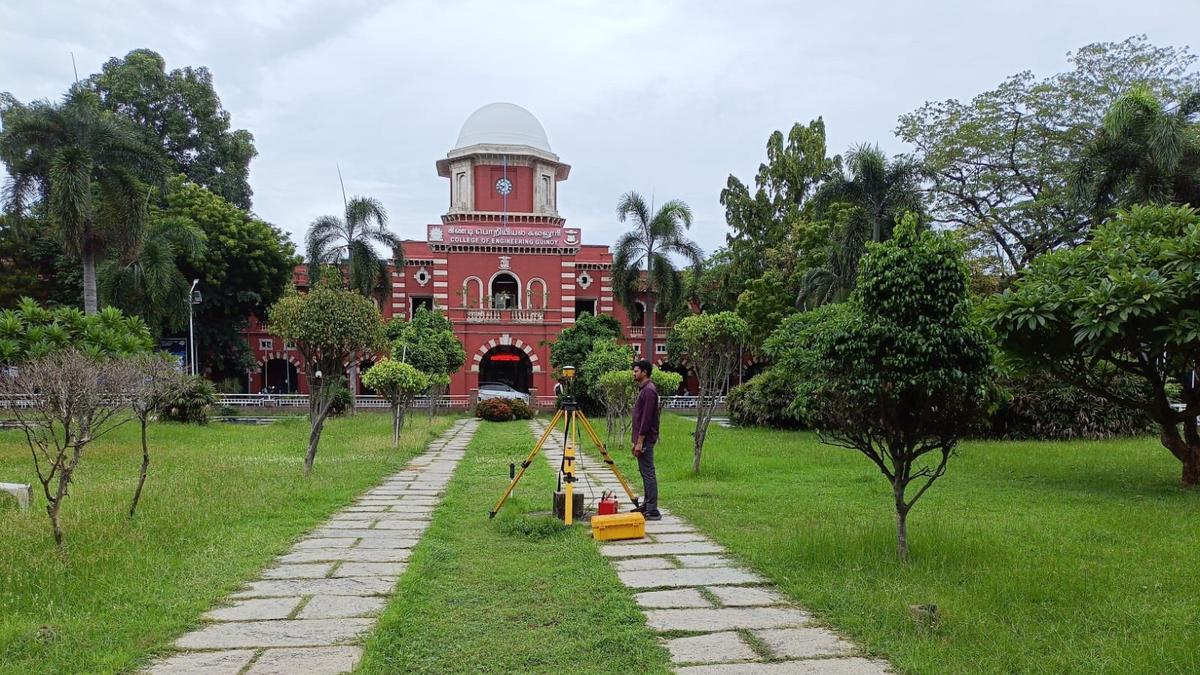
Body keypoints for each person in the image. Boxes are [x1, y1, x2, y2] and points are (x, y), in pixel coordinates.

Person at [630, 359, 662, 520]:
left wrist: (640, 441)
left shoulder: (649, 390)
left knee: (648, 472)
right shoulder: (643, 390)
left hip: (646, 439)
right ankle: (647, 504)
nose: (634, 374)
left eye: (636, 371)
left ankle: (652, 509)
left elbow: (646, 419)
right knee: (644, 472)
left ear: (644, 372)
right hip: (641, 439)